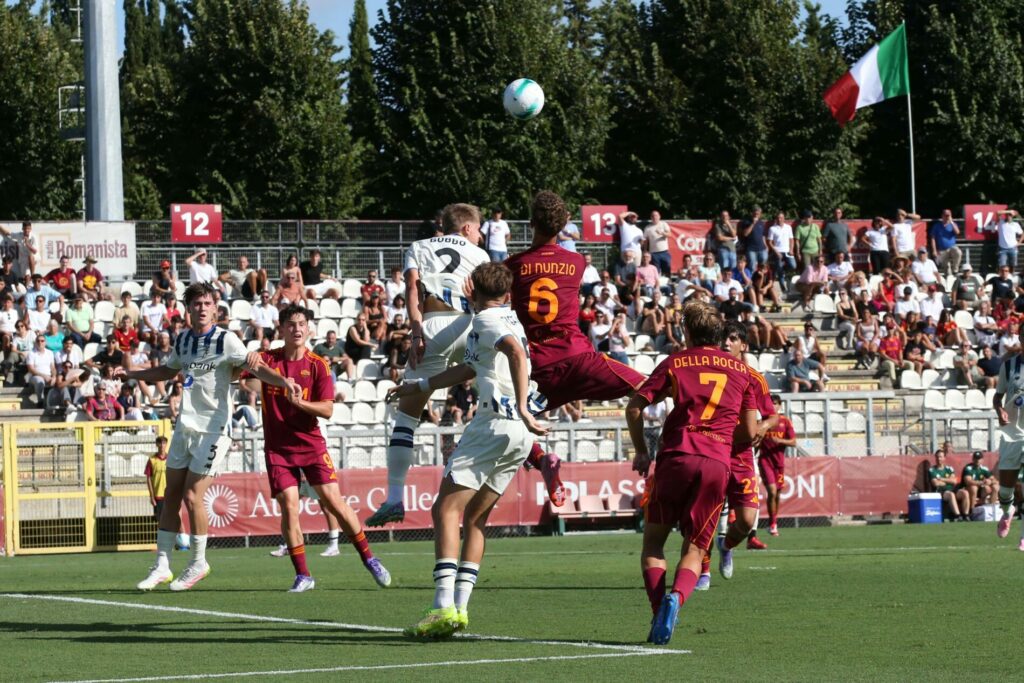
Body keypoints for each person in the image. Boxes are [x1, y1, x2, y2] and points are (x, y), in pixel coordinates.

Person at [388, 262, 547, 638]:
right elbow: (470, 368)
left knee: (444, 509)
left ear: (469, 290)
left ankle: (442, 606)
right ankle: (459, 608)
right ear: (507, 294)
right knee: (475, 518)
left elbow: (516, 355)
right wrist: (420, 385)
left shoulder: (487, 322)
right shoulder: (508, 319)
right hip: (517, 436)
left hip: (493, 425)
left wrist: (523, 404)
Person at [132, 282, 299, 592]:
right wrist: (133, 374)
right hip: (185, 427)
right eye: (197, 303)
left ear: (215, 307)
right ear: (188, 309)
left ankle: (198, 562)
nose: (203, 308)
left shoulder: (226, 340)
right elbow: (167, 372)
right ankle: (163, 565)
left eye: (207, 303)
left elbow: (256, 366)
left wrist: (283, 381)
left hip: (214, 428)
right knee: (171, 496)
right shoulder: (182, 341)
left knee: (193, 496)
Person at [625, 300, 757, 645]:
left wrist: (642, 450)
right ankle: (676, 599)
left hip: (676, 456)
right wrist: (723, 442)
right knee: (695, 550)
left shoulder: (676, 362)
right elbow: (751, 430)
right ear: (720, 333)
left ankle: (658, 612)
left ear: (686, 332)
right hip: (716, 463)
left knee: (654, 543)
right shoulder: (743, 372)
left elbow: (635, 406)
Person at [506, 191, 648, 508]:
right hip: (580, 359)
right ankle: (661, 451)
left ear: (531, 224)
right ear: (564, 224)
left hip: (538, 369)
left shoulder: (511, 266)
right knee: (650, 386)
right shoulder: (577, 260)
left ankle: (542, 459)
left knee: (503, 419)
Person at [248, 304, 390, 592]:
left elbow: (327, 410)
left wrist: (300, 403)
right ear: (282, 328)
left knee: (335, 503)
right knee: (289, 507)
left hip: (311, 445)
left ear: (309, 329)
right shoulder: (268, 359)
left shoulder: (318, 365)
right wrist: (248, 362)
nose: (297, 328)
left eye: (302, 323)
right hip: (278, 449)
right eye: (291, 324)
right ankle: (303, 575)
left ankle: (369, 558)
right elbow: (247, 379)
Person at [366, 203, 489, 527]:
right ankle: (529, 454)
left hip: (433, 324)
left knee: (406, 417)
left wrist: (416, 331)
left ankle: (394, 497)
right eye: (477, 228)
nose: (480, 234)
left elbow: (411, 289)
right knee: (493, 397)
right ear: (465, 228)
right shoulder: (480, 254)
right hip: (470, 325)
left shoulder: (419, 247)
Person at [713, 321, 778, 583]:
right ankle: (700, 569)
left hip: (741, 454)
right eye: (722, 339)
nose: (725, 344)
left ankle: (726, 547)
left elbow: (772, 416)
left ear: (743, 345)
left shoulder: (755, 378)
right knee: (706, 513)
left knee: (747, 520)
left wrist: (761, 426)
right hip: (711, 448)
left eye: (731, 339)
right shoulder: (708, 372)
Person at [993, 333, 1024, 546]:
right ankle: (1008, 510)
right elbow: (997, 397)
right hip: (1012, 433)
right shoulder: (1009, 365)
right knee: (1005, 490)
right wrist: (1000, 410)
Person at [759, 394, 796, 536]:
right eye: (771, 403)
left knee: (777, 494)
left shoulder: (785, 421)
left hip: (779, 463)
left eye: (776, 403)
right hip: (765, 461)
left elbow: (793, 442)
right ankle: (773, 524)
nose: (773, 406)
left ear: (780, 405)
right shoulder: (763, 421)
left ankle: (772, 522)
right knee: (772, 492)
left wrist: (780, 441)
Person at [929, 449, 970, 521]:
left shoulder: (949, 469)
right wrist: (948, 481)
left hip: (952, 489)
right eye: (937, 457)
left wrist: (941, 479)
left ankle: (966, 515)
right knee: (951, 494)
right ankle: (957, 516)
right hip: (940, 491)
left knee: (965, 493)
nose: (939, 459)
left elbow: (954, 481)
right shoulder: (932, 470)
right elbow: (935, 483)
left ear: (944, 458)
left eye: (941, 457)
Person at [25, 333, 56, 405]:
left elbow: (53, 367)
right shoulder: (31, 354)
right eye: (38, 341)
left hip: (49, 376)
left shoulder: (50, 353)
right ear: (35, 342)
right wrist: (44, 376)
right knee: (40, 381)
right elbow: (31, 369)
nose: (40, 342)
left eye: (42, 341)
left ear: (45, 342)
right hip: (35, 376)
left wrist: (54, 376)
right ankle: (40, 401)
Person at [929, 209, 962, 276]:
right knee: (947, 268)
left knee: (958, 252)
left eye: (948, 215)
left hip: (952, 248)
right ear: (942, 216)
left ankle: (955, 270)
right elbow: (933, 238)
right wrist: (934, 250)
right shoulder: (937, 226)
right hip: (942, 250)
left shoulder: (953, 224)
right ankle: (949, 277)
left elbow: (957, 232)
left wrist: (951, 222)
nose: (947, 217)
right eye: (945, 215)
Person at [645, 210, 673, 275]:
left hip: (664, 252)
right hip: (654, 253)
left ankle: (667, 283)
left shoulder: (664, 224)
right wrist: (645, 250)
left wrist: (662, 233)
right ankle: (657, 284)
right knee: (656, 272)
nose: (655, 217)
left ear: (659, 216)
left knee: (667, 269)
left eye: (656, 215)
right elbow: (646, 240)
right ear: (651, 218)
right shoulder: (648, 227)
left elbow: (670, 234)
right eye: (653, 216)